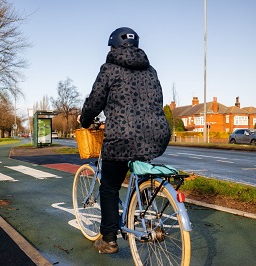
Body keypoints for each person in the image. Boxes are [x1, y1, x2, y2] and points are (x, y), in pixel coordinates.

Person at [79, 27, 171, 254]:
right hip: (155, 134)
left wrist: (85, 120)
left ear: (113, 46)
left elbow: (95, 101)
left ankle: (108, 238)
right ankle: (141, 214)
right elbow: (157, 101)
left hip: (121, 136)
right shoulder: (151, 71)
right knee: (140, 173)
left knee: (109, 186)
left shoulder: (109, 69)